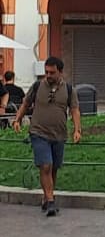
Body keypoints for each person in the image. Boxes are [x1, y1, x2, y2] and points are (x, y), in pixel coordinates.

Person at [12, 56, 83, 217]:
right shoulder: (37, 86)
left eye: (52, 72)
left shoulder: (69, 90)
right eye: (46, 72)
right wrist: (17, 119)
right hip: (38, 132)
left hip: (59, 134)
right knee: (45, 165)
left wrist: (77, 130)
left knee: (54, 168)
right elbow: (25, 103)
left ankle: (46, 198)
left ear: (60, 72)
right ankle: (51, 201)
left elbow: (75, 110)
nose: (48, 75)